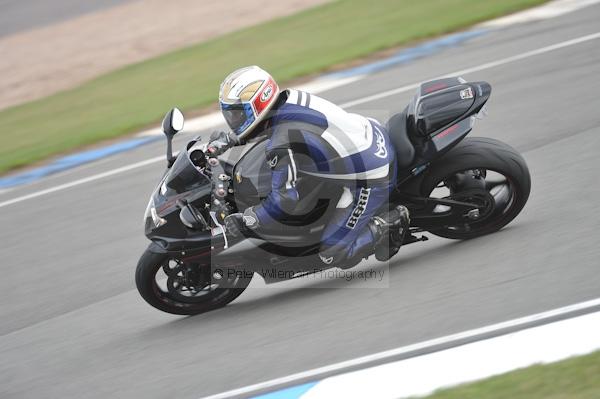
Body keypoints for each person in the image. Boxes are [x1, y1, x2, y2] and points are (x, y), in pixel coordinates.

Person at [212, 65, 409, 267]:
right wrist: (230, 140)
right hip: (369, 136)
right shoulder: (287, 101)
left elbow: (285, 200)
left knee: (332, 253)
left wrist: (248, 219)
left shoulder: (283, 140)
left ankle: (387, 223)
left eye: (236, 114)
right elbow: (261, 130)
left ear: (257, 104)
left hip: (371, 176)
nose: (233, 120)